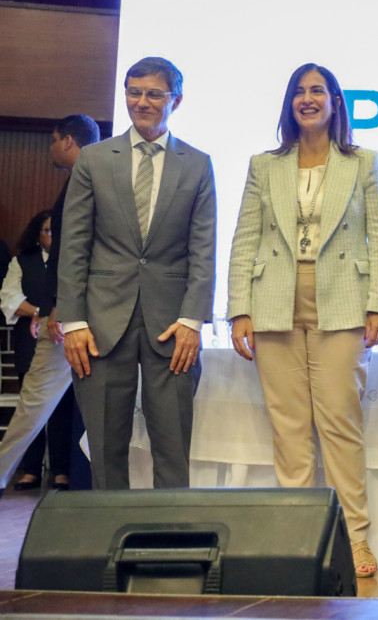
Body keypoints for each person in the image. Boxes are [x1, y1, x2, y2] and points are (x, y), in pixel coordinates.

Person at [227, 63, 378, 579]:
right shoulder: (265, 164)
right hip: (273, 300)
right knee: (290, 428)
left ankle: (354, 538)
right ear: (289, 103)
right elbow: (245, 238)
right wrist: (239, 309)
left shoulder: (363, 162)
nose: (308, 99)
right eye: (299, 92)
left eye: (317, 90)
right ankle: (300, 540)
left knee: (340, 424)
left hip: (343, 301)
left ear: (335, 101)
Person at [58, 57, 216, 490]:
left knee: (173, 448)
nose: (141, 102)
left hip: (174, 327)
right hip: (99, 325)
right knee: (105, 451)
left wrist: (192, 321)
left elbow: (203, 249)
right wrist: (73, 322)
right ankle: (113, 532)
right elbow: (74, 246)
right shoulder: (93, 159)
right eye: (134, 92)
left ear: (175, 100)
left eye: (154, 94)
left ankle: (171, 530)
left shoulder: (197, 164)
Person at [0, 115, 101, 500]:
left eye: (54, 140)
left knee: (34, 403)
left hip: (72, 313)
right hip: (88, 310)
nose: (51, 147)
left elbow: (75, 249)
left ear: (69, 141)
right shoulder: (93, 176)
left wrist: (60, 304)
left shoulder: (86, 178)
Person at [0, 211, 73, 492]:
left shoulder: (74, 254)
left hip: (94, 328)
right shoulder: (24, 261)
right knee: (31, 410)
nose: (53, 236)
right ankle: (25, 471)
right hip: (47, 334)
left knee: (70, 414)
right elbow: (10, 299)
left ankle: (67, 473)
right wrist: (44, 312)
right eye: (48, 230)